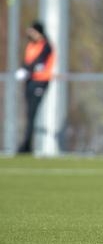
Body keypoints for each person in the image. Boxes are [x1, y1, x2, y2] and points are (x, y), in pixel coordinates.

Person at [15, 21, 55, 154]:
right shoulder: (31, 45)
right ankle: (26, 145)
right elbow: (28, 61)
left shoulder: (46, 46)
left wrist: (27, 70)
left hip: (40, 82)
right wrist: (23, 69)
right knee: (29, 114)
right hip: (30, 82)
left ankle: (26, 146)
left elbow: (39, 61)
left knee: (32, 114)